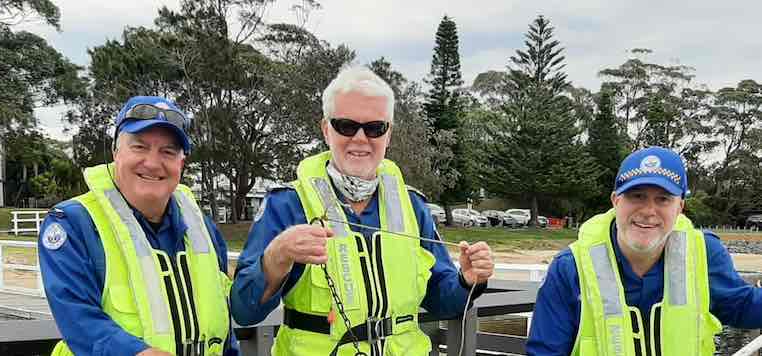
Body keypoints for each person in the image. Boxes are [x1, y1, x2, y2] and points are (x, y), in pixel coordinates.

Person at [230, 66, 495, 356]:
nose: (360, 139)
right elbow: (244, 312)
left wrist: (468, 280)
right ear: (326, 129)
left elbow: (443, 302)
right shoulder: (286, 204)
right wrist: (277, 256)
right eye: (346, 125)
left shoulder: (413, 206)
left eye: (374, 128)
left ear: (388, 134)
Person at [39, 96, 239, 356]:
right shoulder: (74, 223)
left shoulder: (202, 226)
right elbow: (78, 320)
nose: (153, 163)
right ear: (116, 152)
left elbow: (224, 323)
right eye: (139, 147)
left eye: (168, 151)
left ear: (182, 162)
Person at [527, 146, 762, 355]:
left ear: (680, 206)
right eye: (636, 196)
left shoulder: (703, 253)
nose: (649, 210)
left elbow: (742, 307)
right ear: (615, 200)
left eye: (663, 199)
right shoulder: (570, 267)